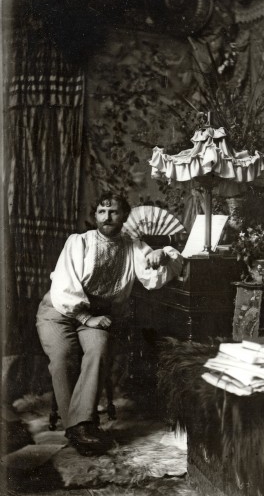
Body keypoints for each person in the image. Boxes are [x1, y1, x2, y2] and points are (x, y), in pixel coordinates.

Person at [36, 192, 183, 455]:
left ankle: (79, 426)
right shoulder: (79, 242)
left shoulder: (134, 246)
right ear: (95, 216)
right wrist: (86, 318)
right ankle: (81, 428)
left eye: (114, 212)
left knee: (99, 347)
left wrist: (163, 255)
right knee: (63, 355)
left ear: (124, 216)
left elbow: (154, 278)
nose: (107, 217)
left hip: (95, 316)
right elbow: (63, 289)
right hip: (58, 311)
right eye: (102, 212)